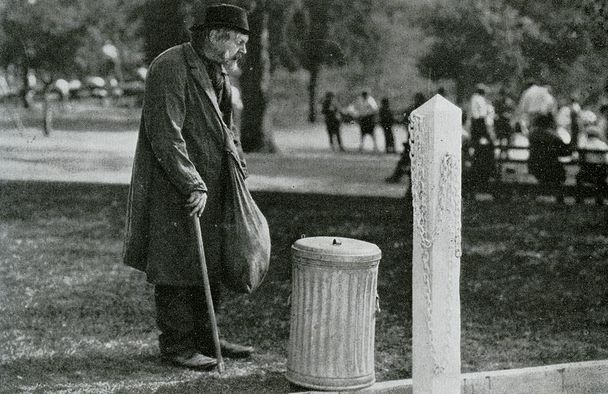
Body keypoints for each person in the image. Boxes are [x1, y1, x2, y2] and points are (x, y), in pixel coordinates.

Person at [123, 3, 254, 370]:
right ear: (215, 36)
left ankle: (207, 337)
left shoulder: (218, 71)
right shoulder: (170, 66)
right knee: (177, 262)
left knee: (209, 261)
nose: (243, 50)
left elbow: (227, 129)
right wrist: (191, 182)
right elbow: (165, 132)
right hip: (175, 186)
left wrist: (236, 168)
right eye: (239, 41)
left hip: (212, 184)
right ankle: (178, 346)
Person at [527, 113, 572, 203]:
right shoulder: (552, 136)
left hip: (534, 166)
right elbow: (565, 152)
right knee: (558, 174)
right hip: (551, 167)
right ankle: (559, 200)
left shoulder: (532, 135)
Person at [468, 84, 497, 185]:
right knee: (487, 146)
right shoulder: (479, 99)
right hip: (479, 123)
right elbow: (481, 115)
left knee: (479, 146)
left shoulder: (474, 98)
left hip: (476, 124)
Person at [576, 124, 608, 204]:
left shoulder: (584, 146)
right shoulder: (603, 145)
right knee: (602, 178)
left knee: (579, 176)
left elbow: (579, 159)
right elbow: (606, 161)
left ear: (587, 135)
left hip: (586, 173)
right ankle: (599, 199)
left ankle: (579, 199)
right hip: (601, 174)